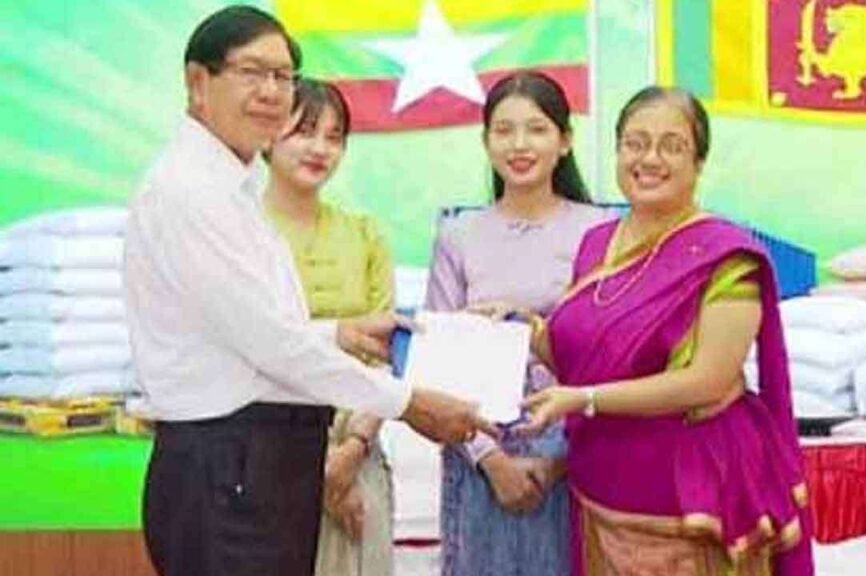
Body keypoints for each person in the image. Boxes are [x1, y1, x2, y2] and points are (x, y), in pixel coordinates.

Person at [122, 7, 491, 576]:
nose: (272, 92)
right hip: (227, 468)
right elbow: (271, 346)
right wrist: (409, 404)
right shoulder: (190, 193)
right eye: (252, 72)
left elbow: (251, 334)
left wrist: (340, 333)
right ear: (198, 82)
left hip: (256, 465)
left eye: (283, 76)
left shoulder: (231, 188)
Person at [517, 87, 815, 575]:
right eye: (635, 143)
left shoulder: (725, 254)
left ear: (698, 163)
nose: (650, 159)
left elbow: (708, 381)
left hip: (691, 496)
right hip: (601, 486)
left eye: (671, 146)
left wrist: (584, 399)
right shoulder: (597, 244)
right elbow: (587, 361)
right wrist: (525, 331)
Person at [424, 71, 610, 576]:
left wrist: (556, 461)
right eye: (504, 130)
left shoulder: (599, 233)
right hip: (478, 451)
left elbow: (607, 359)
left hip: (574, 452)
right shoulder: (458, 235)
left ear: (565, 140)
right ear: (486, 142)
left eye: (537, 129)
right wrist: (491, 460)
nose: (519, 144)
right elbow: (438, 367)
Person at [263, 77, 396, 576]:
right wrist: (317, 470)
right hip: (266, 454)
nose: (320, 148)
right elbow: (253, 347)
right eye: (305, 131)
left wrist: (351, 451)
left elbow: (388, 355)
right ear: (269, 136)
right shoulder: (244, 233)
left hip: (357, 449)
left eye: (334, 137)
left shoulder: (364, 233)